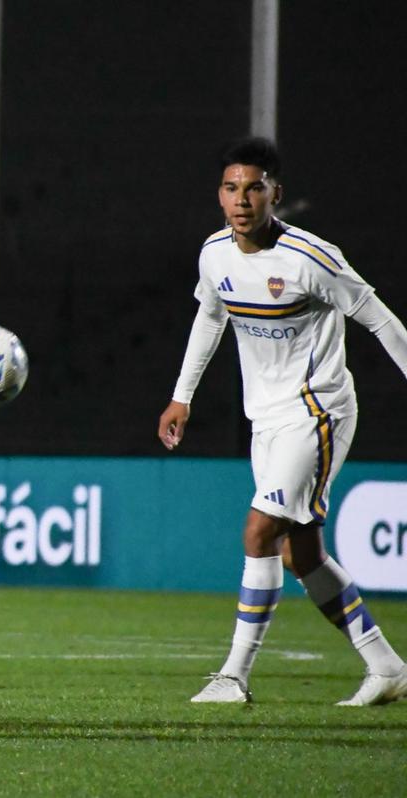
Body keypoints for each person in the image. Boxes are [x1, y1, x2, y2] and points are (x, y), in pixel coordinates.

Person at [158, 137, 407, 706]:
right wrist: (182, 397)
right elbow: (210, 317)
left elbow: (382, 322)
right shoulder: (215, 254)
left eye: (253, 187)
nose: (241, 199)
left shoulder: (312, 259)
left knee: (258, 531)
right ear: (219, 196)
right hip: (265, 419)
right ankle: (387, 666)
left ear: (275, 193)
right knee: (301, 554)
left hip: (318, 411)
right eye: (231, 188)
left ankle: (233, 677)